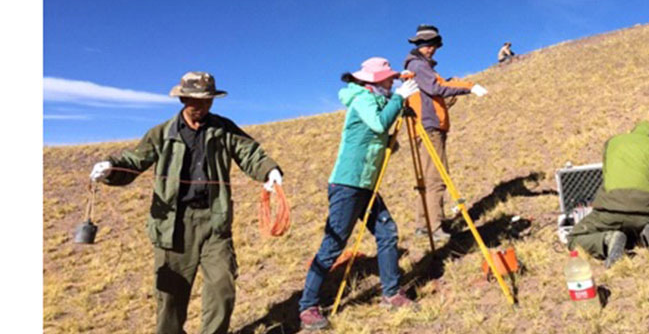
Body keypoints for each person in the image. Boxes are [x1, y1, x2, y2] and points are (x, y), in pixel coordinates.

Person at [89, 71, 283, 334]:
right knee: (170, 298)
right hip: (173, 225)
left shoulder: (224, 129)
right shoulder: (161, 134)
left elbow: (250, 153)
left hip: (215, 221)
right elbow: (133, 162)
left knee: (222, 288)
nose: (202, 106)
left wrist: (269, 171)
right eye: (196, 101)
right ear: (183, 99)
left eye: (207, 100)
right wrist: (110, 169)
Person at [299, 57, 420, 331]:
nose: (391, 83)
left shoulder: (378, 100)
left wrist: (397, 102)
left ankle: (391, 293)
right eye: (388, 79)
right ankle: (307, 306)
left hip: (366, 184)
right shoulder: (363, 100)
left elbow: (377, 137)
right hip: (347, 184)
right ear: (375, 81)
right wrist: (399, 99)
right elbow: (378, 125)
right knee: (333, 245)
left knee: (387, 233)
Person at [404, 24, 487, 242]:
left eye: (433, 45)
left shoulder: (416, 66)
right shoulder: (419, 66)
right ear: (418, 45)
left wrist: (447, 98)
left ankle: (424, 225)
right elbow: (436, 88)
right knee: (436, 178)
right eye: (427, 45)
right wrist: (469, 87)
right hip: (430, 129)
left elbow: (431, 95)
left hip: (423, 127)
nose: (431, 49)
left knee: (427, 178)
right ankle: (435, 227)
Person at [566, 120, 649, 268]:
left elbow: (607, 177)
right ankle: (647, 229)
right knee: (641, 220)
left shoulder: (612, 143)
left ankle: (608, 239)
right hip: (645, 213)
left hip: (609, 212)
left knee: (573, 238)